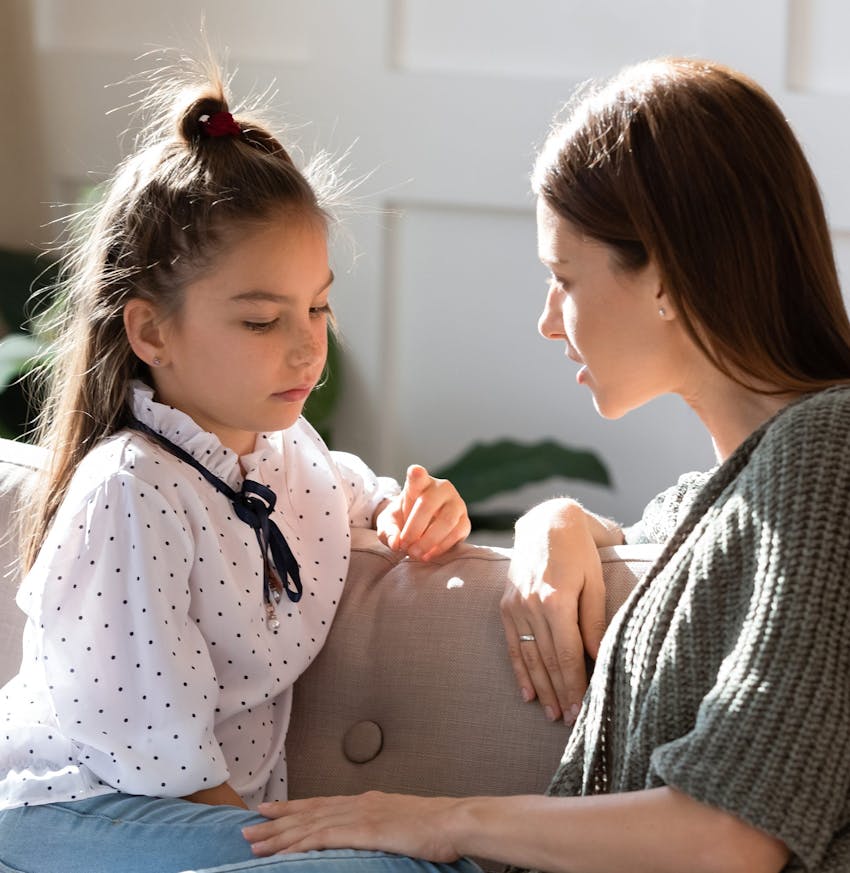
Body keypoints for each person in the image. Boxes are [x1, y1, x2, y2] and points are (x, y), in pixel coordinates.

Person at [237, 58, 850, 872]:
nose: (547, 321)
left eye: (563, 279)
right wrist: (555, 520)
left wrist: (442, 820)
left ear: (663, 275)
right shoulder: (741, 487)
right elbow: (668, 542)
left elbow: (732, 837)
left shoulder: (829, 450)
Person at [0, 57, 472, 873]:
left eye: (318, 306)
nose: (306, 345)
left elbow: (364, 498)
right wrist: (291, 848)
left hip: (188, 824)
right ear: (150, 334)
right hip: (69, 814)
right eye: (261, 321)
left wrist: (421, 510)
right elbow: (163, 765)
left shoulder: (291, 457)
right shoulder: (129, 489)